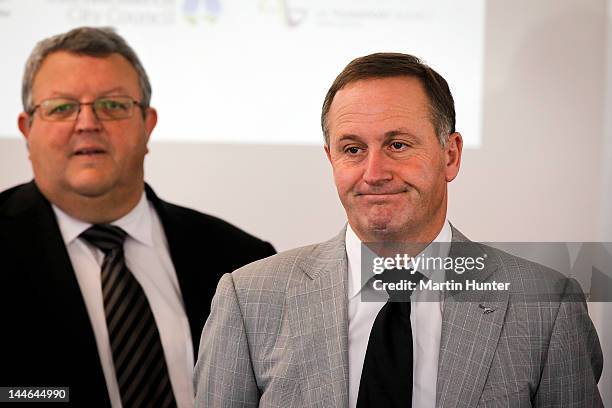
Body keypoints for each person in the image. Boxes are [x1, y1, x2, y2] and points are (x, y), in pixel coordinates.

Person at [194, 53, 603, 407]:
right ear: (331, 159)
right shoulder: (247, 301)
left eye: (398, 145)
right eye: (353, 149)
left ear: (451, 155)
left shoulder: (548, 307)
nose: (374, 173)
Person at [0, 26, 275, 407]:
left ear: (147, 124)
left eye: (112, 105)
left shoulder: (241, 259)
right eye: (61, 108)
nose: (87, 123)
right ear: (27, 130)